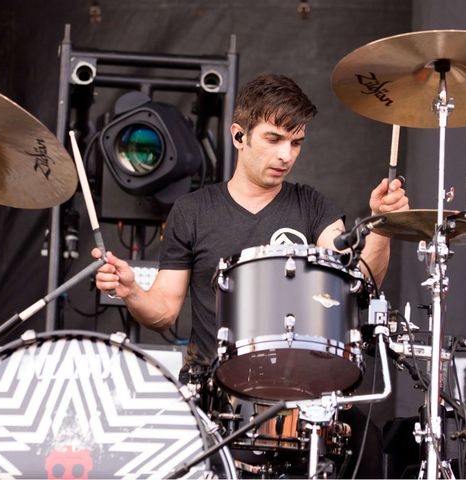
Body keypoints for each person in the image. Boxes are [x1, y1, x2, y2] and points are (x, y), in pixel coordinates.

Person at [93, 73, 409, 377]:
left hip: (296, 388)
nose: (286, 155)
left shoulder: (313, 206)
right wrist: (132, 291)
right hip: (213, 393)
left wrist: (382, 226)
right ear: (239, 135)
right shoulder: (192, 211)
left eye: (296, 142)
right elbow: (164, 311)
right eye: (274, 139)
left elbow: (357, 284)